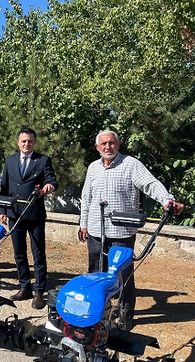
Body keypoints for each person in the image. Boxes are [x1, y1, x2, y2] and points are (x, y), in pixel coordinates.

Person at [78, 130, 184, 329]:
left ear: (118, 145)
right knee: (95, 272)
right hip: (95, 231)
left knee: (123, 275)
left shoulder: (131, 164)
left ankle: (126, 314)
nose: (108, 147)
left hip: (122, 232)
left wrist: (167, 199)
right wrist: (83, 223)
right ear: (97, 147)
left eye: (111, 143)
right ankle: (99, 310)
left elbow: (150, 184)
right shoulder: (93, 167)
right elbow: (87, 197)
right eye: (104, 144)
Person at [0, 128, 58, 309]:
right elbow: (4, 187)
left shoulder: (42, 160)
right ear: (18, 142)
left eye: (30, 141)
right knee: (19, 253)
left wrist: (49, 186)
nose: (27, 144)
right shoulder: (10, 161)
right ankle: (24, 286)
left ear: (34, 143)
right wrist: (3, 209)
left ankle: (39, 291)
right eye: (23, 141)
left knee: (38, 253)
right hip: (14, 214)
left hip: (34, 215)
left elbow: (53, 181)